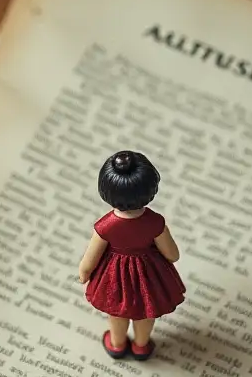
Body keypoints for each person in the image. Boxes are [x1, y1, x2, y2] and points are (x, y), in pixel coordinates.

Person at [78, 150, 185, 361]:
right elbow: (172, 254)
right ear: (150, 188)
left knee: (117, 311)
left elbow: (90, 259)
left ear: (106, 190)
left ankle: (117, 344)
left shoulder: (105, 226)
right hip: (149, 275)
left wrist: (84, 273)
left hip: (114, 276)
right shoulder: (155, 222)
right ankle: (141, 345)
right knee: (146, 311)